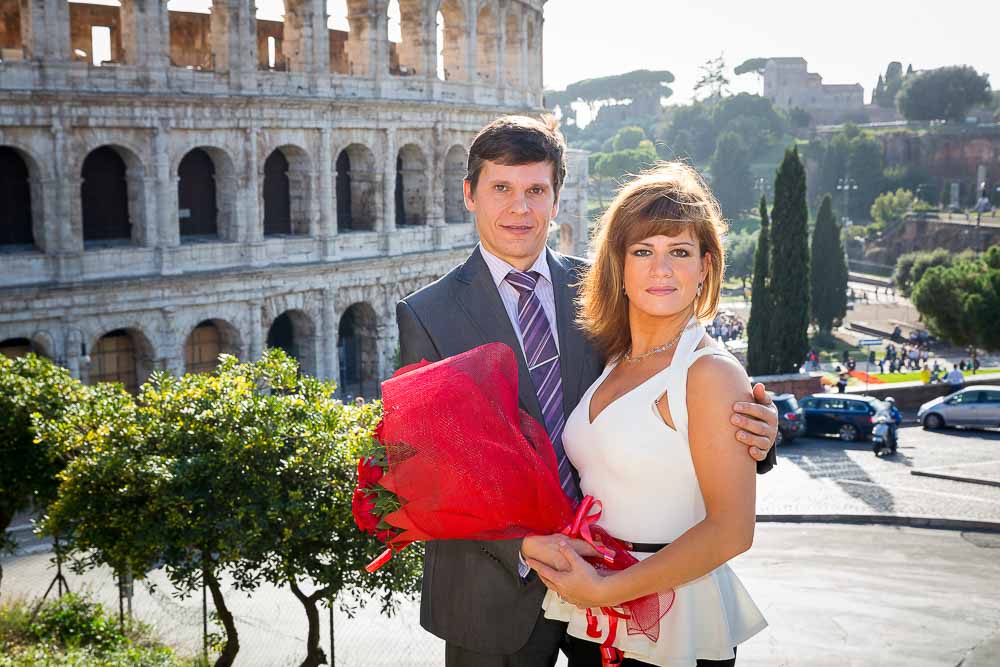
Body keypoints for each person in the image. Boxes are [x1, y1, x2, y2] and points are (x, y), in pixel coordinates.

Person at [395, 117, 779, 667]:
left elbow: (678, 387)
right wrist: (523, 546)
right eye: (500, 188)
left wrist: (758, 434)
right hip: (493, 591)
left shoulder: (607, 292)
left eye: (536, 190)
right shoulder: (427, 315)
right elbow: (427, 468)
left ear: (557, 199)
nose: (518, 208)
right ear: (469, 195)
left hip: (615, 590)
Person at [526, 163, 767, 665]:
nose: (662, 269)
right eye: (643, 251)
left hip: (669, 620)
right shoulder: (613, 357)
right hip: (590, 615)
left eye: (679, 252)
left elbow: (731, 531)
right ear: (619, 266)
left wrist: (605, 593)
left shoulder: (710, 373)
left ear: (705, 266)